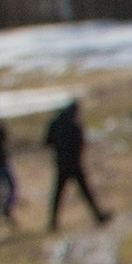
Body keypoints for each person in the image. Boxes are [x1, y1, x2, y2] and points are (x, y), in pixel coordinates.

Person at [44, 97, 107, 231]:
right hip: (75, 165)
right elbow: (81, 144)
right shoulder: (75, 124)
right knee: (86, 192)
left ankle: (53, 223)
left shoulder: (56, 123)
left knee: (59, 194)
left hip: (61, 164)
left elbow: (47, 141)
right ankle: (99, 216)